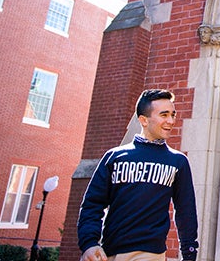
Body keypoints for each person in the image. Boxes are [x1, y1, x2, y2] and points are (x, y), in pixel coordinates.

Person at [77, 89, 199, 261]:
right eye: (164, 115)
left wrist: (189, 253)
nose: (171, 121)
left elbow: (186, 211)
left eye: (173, 114)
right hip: (107, 253)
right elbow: (92, 204)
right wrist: (89, 243)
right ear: (143, 120)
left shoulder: (178, 162)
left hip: (149, 254)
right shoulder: (114, 157)